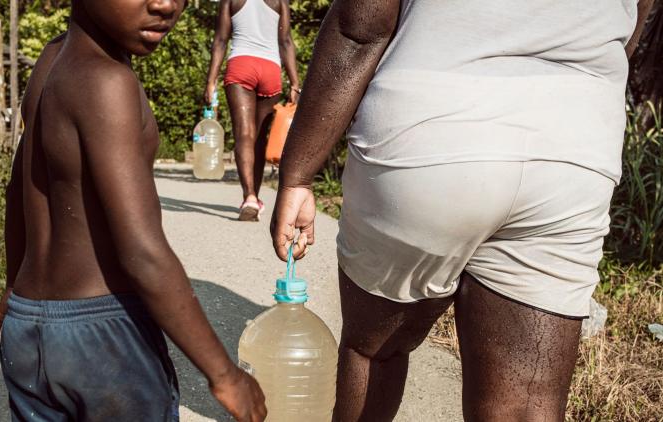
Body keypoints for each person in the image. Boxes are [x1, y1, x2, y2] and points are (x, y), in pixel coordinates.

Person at [271, 0, 658, 421]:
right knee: (525, 404)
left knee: (374, 351)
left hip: (431, 127)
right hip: (574, 146)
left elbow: (360, 28)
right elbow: (632, 20)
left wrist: (298, 175)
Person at [0, 1, 266, 420]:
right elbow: (143, 253)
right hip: (103, 340)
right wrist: (225, 375)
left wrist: (13, 286)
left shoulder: (52, 59)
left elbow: (20, 188)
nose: (166, 5)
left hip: (28, 327)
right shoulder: (107, 81)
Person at [205, 0, 300, 221]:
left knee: (244, 135)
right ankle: (254, 198)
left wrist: (211, 81)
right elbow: (286, 41)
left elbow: (220, 40)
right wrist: (295, 83)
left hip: (241, 66)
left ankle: (249, 197)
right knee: (259, 139)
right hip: (270, 69)